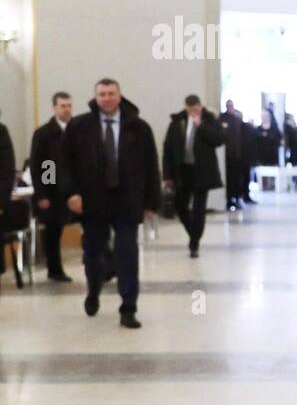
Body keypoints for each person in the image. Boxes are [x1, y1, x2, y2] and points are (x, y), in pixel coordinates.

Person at [60, 79, 161, 329]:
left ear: (119, 95)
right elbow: (60, 164)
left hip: (127, 201)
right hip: (92, 202)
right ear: (95, 97)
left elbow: (151, 166)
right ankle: (93, 290)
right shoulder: (79, 126)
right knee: (93, 253)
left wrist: (152, 201)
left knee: (127, 254)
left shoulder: (138, 128)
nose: (106, 98)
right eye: (101, 94)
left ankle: (128, 308)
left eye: (111, 93)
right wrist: (67, 193)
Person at [163, 95, 224, 258]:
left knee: (199, 208)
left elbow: (219, 139)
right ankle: (193, 233)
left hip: (202, 171)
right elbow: (168, 148)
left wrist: (201, 126)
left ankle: (194, 244)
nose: (194, 112)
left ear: (201, 106)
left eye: (197, 108)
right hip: (183, 171)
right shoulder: (178, 122)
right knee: (180, 205)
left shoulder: (209, 119)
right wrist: (167, 175)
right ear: (186, 108)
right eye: (191, 109)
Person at [29, 91, 76, 282]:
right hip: (53, 189)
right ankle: (54, 269)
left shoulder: (76, 129)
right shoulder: (44, 134)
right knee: (53, 231)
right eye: (62, 106)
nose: (66, 109)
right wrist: (43, 194)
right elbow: (41, 164)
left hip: (74, 188)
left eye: (69, 106)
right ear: (54, 108)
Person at [219, 99, 246, 211]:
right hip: (227, 155)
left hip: (237, 154)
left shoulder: (236, 120)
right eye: (228, 106)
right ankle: (229, 200)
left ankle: (236, 198)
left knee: (236, 179)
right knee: (229, 179)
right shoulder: (222, 119)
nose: (230, 107)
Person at [284, 113, 297, 188]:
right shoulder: (288, 129)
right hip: (293, 154)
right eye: (291, 119)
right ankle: (295, 183)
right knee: (295, 168)